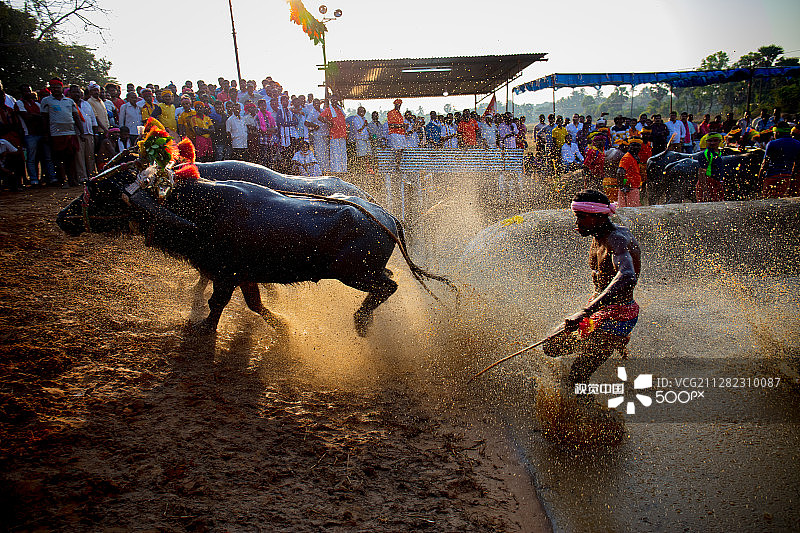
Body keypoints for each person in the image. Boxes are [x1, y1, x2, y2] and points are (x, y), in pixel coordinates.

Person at [543, 189, 641, 393]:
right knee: (551, 346)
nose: (576, 223)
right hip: (597, 310)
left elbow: (628, 276)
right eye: (576, 217)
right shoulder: (598, 234)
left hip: (617, 316)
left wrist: (585, 312)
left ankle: (591, 417)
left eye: (581, 217)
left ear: (598, 216)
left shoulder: (616, 239)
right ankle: (596, 347)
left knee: (577, 375)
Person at [39, 78, 81, 187]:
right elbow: (44, 118)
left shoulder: (69, 101)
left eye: (58, 87)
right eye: (53, 88)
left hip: (70, 133)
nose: (56, 89)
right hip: (56, 134)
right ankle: (63, 180)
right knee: (59, 159)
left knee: (71, 158)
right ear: (50, 89)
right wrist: (45, 134)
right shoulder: (46, 101)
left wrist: (81, 131)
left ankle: (72, 179)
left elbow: (76, 117)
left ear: (62, 88)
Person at [757, 122, 800, 198]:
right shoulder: (797, 144)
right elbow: (797, 165)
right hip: (788, 179)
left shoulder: (772, 144)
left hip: (772, 178)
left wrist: (759, 180)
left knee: (767, 203)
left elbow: (765, 164)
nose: (774, 135)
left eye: (774, 133)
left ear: (778, 132)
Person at [319, 96, 347, 175]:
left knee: (343, 154)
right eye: (333, 100)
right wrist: (328, 122)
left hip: (342, 134)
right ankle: (336, 171)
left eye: (336, 99)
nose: (335, 101)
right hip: (334, 135)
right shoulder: (328, 109)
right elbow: (320, 117)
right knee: (335, 154)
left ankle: (343, 170)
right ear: (331, 101)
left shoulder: (340, 109)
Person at [695, 133, 725, 202]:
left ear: (719, 141)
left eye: (715, 141)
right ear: (706, 142)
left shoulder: (720, 153)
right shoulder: (705, 154)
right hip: (707, 181)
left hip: (717, 181)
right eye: (710, 141)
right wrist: (704, 189)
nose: (712, 143)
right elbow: (701, 172)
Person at [616, 139, 643, 207]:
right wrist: (622, 186)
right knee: (629, 211)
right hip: (629, 190)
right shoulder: (627, 158)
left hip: (633, 188)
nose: (636, 148)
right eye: (633, 145)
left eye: (638, 146)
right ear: (629, 146)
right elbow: (620, 172)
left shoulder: (634, 157)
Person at [386, 99, 406, 169]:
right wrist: (401, 126)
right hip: (395, 134)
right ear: (395, 105)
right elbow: (391, 125)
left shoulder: (399, 114)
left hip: (401, 134)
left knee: (401, 150)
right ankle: (397, 166)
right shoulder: (391, 113)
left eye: (400, 104)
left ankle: (398, 164)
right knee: (398, 150)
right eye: (397, 104)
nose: (399, 106)